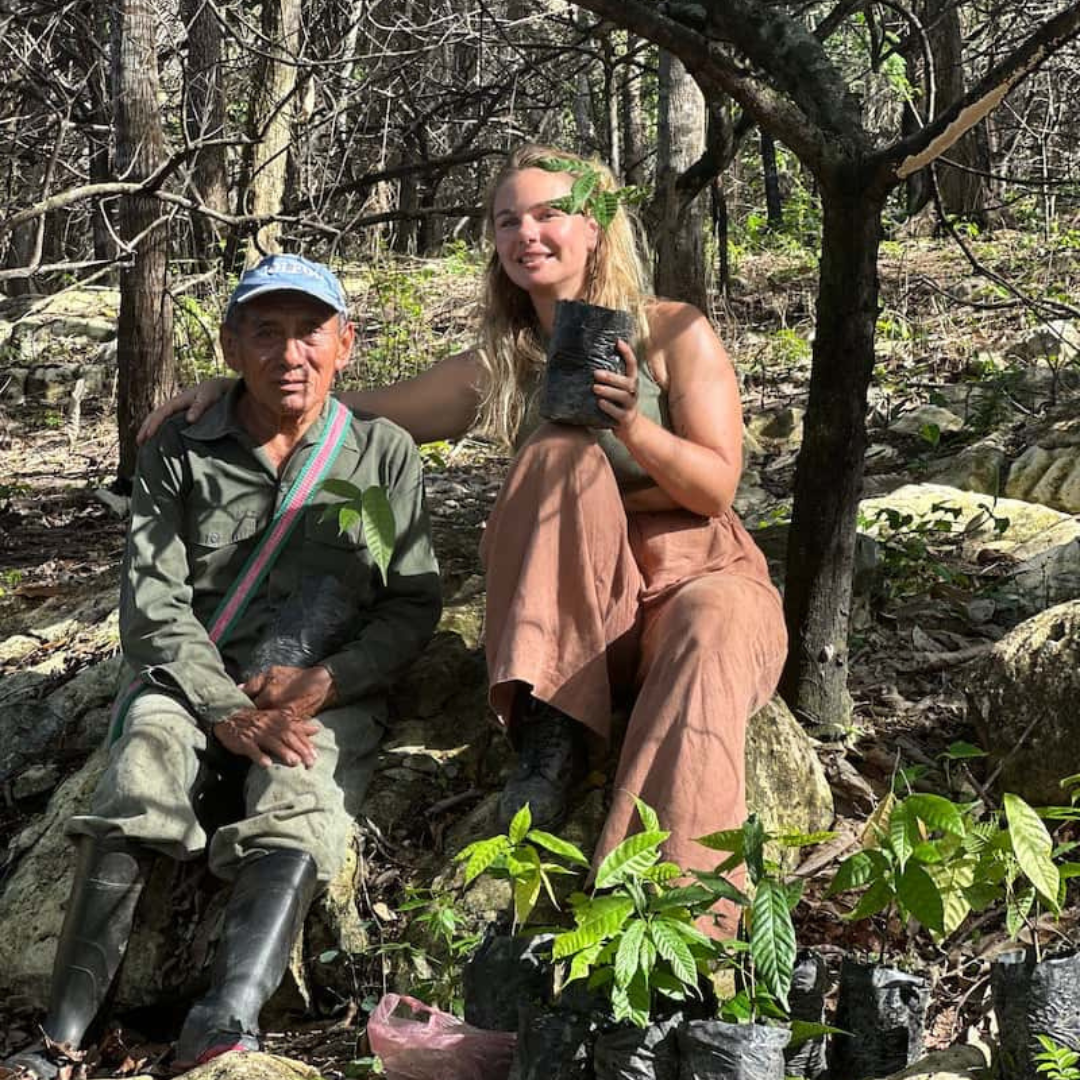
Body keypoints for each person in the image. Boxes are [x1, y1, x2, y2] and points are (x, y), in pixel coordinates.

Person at [138, 144, 788, 934]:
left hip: (696, 577)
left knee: (711, 621)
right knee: (557, 450)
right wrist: (239, 383)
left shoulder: (672, 331)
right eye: (508, 219)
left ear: (596, 225)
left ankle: (678, 922)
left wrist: (633, 428)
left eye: (549, 214)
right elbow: (359, 413)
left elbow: (717, 486)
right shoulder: (501, 364)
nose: (527, 234)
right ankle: (551, 741)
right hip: (589, 618)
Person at [6, 255, 441, 1073]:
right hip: (194, 678)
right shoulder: (181, 447)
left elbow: (408, 601)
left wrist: (327, 682)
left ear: (344, 345)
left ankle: (226, 1020)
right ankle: (59, 1037)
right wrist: (221, 707)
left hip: (319, 691)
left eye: (310, 333)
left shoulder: (379, 456)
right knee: (144, 763)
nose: (290, 354)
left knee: (301, 793)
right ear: (232, 344)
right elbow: (154, 603)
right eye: (266, 333)